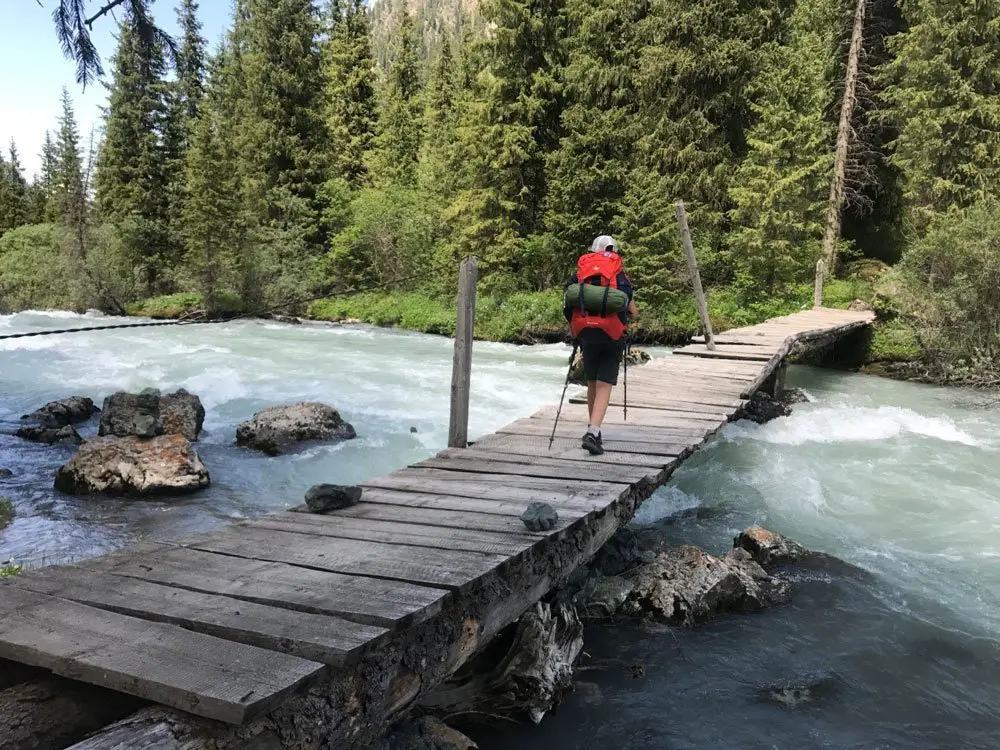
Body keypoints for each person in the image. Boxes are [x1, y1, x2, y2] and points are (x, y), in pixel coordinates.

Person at [563, 235, 637, 455]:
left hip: (586, 333)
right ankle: (593, 432)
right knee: (605, 383)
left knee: (592, 381)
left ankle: (592, 427)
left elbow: (568, 303)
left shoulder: (580, 272)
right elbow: (630, 308)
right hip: (612, 335)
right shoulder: (618, 274)